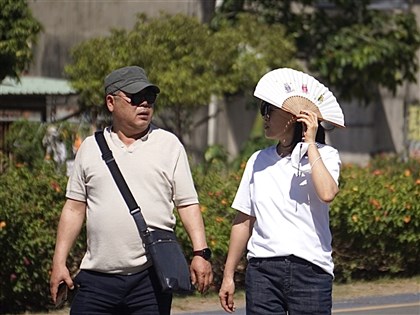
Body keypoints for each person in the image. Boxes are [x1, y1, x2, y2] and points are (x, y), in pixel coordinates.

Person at [50, 65, 213, 315]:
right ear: (111, 102)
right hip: (97, 279)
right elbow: (73, 208)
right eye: (136, 98)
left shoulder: (169, 145)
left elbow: (187, 203)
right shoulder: (90, 148)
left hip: (149, 280)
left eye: (150, 98)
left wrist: (201, 253)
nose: (145, 104)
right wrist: (59, 262)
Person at [219, 68, 344, 315]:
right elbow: (244, 220)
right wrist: (228, 274)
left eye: (268, 110)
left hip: (311, 271)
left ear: (292, 116)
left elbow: (328, 193)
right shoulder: (258, 160)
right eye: (262, 109)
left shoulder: (325, 155)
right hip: (263, 272)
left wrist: (310, 144)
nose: (263, 117)